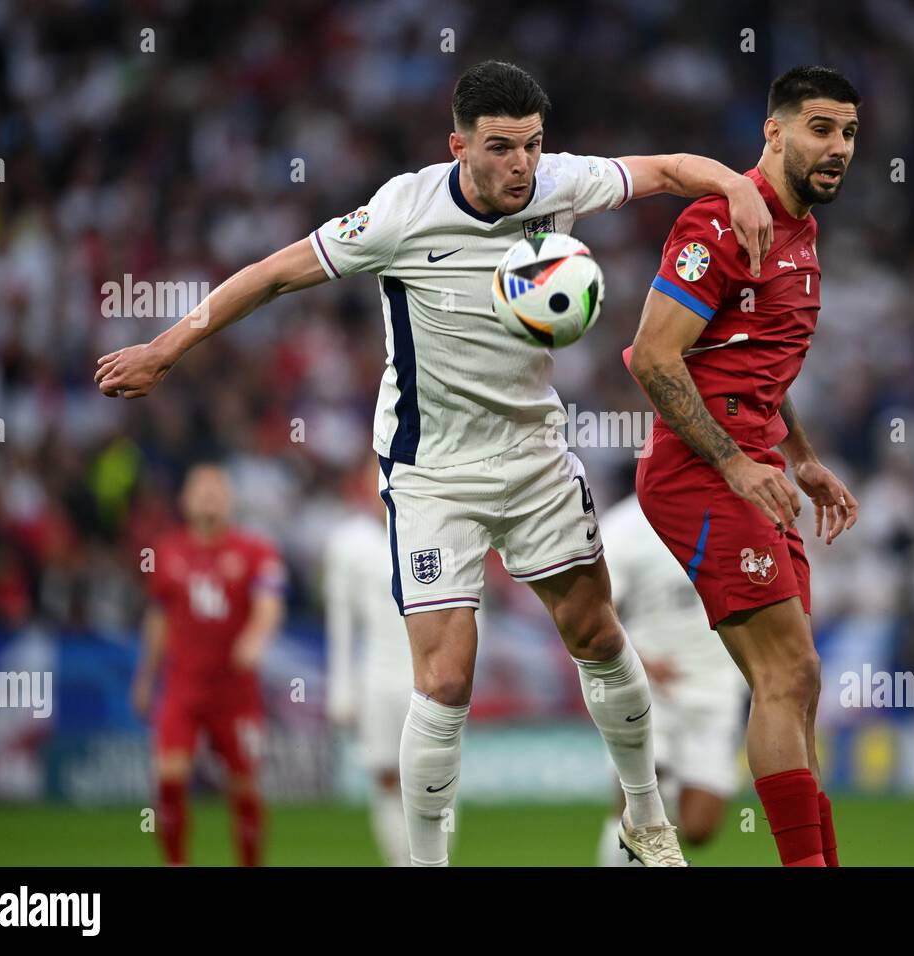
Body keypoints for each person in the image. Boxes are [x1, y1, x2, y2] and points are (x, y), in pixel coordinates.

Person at [96, 59, 776, 867]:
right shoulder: (400, 212)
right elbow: (273, 274)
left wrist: (737, 185)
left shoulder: (558, 182)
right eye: (499, 147)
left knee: (597, 634)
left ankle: (644, 821)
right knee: (447, 681)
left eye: (530, 145)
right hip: (432, 470)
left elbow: (665, 169)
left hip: (532, 456)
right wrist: (167, 349)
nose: (520, 164)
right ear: (458, 145)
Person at [627, 65, 862, 867]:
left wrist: (801, 455)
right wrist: (734, 465)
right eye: (821, 128)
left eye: (850, 133)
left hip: (757, 458)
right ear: (774, 131)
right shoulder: (718, 225)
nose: (838, 148)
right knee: (786, 671)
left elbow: (755, 364)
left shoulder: (801, 231)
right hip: (700, 466)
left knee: (801, 681)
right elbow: (653, 359)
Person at [132, 463, 286, 866]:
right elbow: (158, 618)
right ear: (184, 500)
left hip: (235, 691)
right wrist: (146, 678)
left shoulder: (255, 551)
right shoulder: (166, 553)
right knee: (169, 780)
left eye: (216, 490)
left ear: (231, 499)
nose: (208, 497)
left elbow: (270, 603)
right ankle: (176, 862)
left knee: (245, 788)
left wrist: (255, 638)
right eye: (200, 490)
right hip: (182, 686)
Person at [595, 493, 749, 866]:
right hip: (650, 687)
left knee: (699, 829)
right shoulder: (623, 527)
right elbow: (596, 607)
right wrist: (639, 660)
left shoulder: (734, 515)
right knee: (636, 802)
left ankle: (664, 808)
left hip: (717, 686)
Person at [324, 459, 416, 866]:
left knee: (434, 781)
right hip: (376, 678)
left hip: (428, 679)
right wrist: (340, 687)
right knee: (385, 778)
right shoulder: (349, 544)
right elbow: (341, 618)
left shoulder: (431, 532)